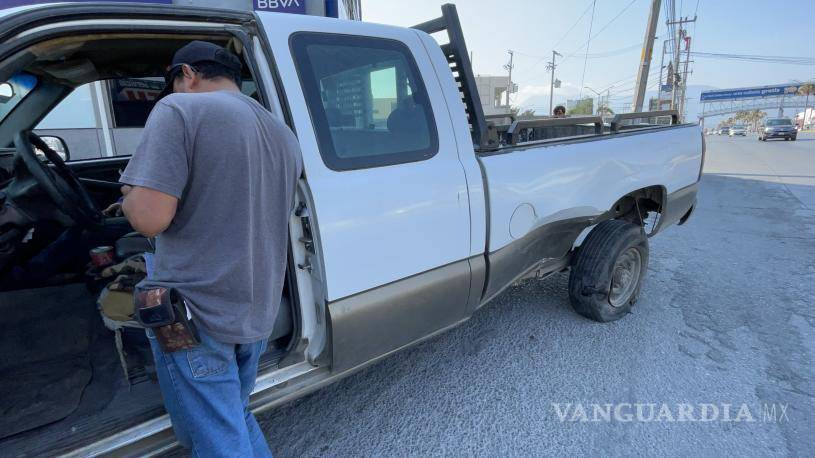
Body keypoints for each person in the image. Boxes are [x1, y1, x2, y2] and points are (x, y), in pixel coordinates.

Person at [119, 41, 303, 456]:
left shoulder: (179, 110)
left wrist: (131, 190)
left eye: (173, 83)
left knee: (220, 439)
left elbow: (148, 219)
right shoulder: (282, 132)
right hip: (255, 310)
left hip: (195, 312)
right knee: (232, 416)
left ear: (186, 74)